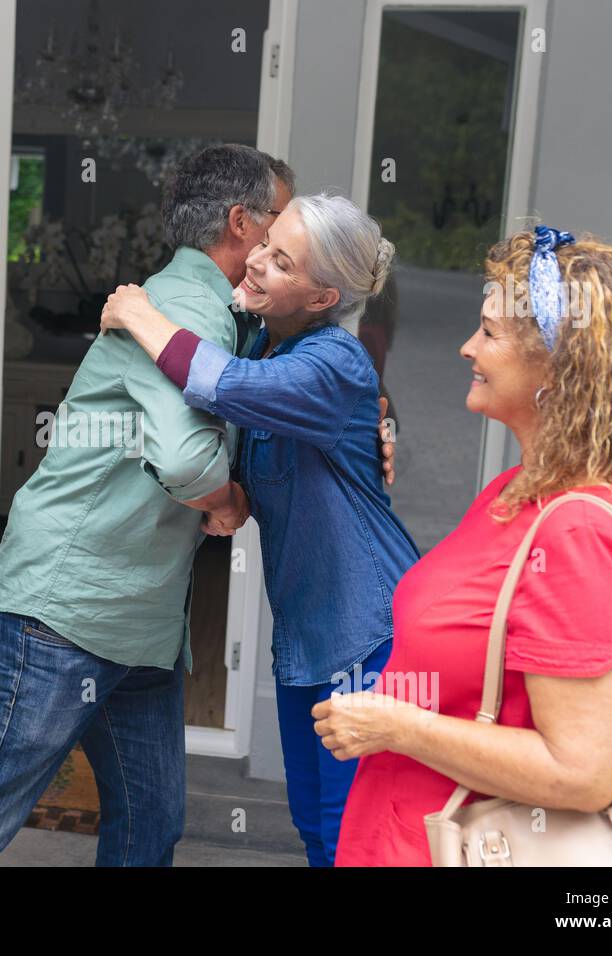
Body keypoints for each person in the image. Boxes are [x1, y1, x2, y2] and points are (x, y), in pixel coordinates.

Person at [0, 144, 294, 867]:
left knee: (151, 826)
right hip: (65, 613)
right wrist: (231, 498)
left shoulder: (216, 315)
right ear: (242, 223)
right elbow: (187, 461)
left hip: (139, 624)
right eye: (281, 218)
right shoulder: (181, 308)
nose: (288, 235)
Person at [312, 226, 612, 866]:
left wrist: (396, 725)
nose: (468, 348)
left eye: (490, 333)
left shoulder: (581, 531)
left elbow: (584, 773)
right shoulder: (514, 490)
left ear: (560, 367)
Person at [99, 193, 420, 865]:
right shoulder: (272, 345)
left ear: (322, 295)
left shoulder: (334, 362)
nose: (257, 262)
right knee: (313, 826)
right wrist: (226, 498)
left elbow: (219, 384)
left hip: (370, 632)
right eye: (265, 245)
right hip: (308, 635)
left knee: (350, 837)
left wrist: (137, 311)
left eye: (282, 261)